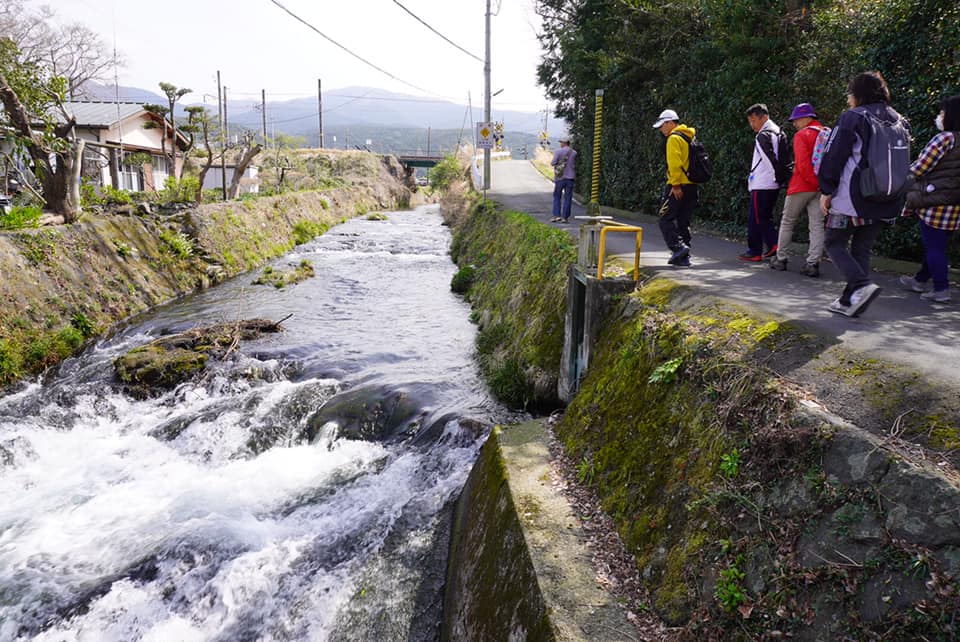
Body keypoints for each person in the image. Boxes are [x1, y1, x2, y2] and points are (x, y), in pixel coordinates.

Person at [818, 71, 910, 317]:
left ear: (858, 94)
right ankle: (850, 301)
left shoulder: (853, 118)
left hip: (853, 197)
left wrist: (826, 190)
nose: (848, 99)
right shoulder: (900, 121)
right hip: (888, 198)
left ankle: (860, 285)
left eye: (850, 93)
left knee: (833, 242)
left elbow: (834, 156)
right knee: (862, 248)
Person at [899, 95, 960, 304]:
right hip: (955, 204)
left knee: (934, 246)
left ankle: (941, 289)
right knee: (937, 244)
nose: (939, 117)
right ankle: (919, 280)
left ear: (951, 115)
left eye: (942, 113)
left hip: (934, 202)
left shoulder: (944, 139)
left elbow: (920, 167)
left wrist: (901, 178)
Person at [769, 103, 826, 276]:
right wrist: (821, 185)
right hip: (822, 187)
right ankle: (813, 263)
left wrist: (811, 181)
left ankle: (781, 259)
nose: (794, 123)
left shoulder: (802, 135)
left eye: (796, 120)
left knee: (788, 222)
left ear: (807, 118)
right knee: (817, 225)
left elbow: (802, 164)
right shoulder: (827, 134)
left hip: (801, 185)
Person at [653, 108, 699, 267]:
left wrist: (675, 185)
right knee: (683, 221)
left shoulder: (674, 138)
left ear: (670, 123)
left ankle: (678, 248)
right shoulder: (689, 137)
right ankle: (684, 257)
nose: (661, 129)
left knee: (664, 218)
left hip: (677, 186)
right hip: (692, 185)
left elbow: (674, 164)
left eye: (662, 125)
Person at [740, 103, 784, 262]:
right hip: (772, 183)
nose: (752, 125)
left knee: (756, 217)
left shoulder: (763, 135)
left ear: (764, 117)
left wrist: (774, 177)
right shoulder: (778, 132)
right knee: (764, 216)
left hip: (763, 182)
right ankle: (769, 246)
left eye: (753, 120)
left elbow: (768, 159)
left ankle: (759, 249)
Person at [550, 136, 576, 223]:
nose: (560, 144)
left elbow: (553, 163)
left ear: (564, 143)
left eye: (561, 142)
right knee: (568, 197)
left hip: (560, 178)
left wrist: (558, 163)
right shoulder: (574, 153)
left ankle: (557, 215)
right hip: (570, 178)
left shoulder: (558, 152)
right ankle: (565, 217)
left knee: (557, 196)